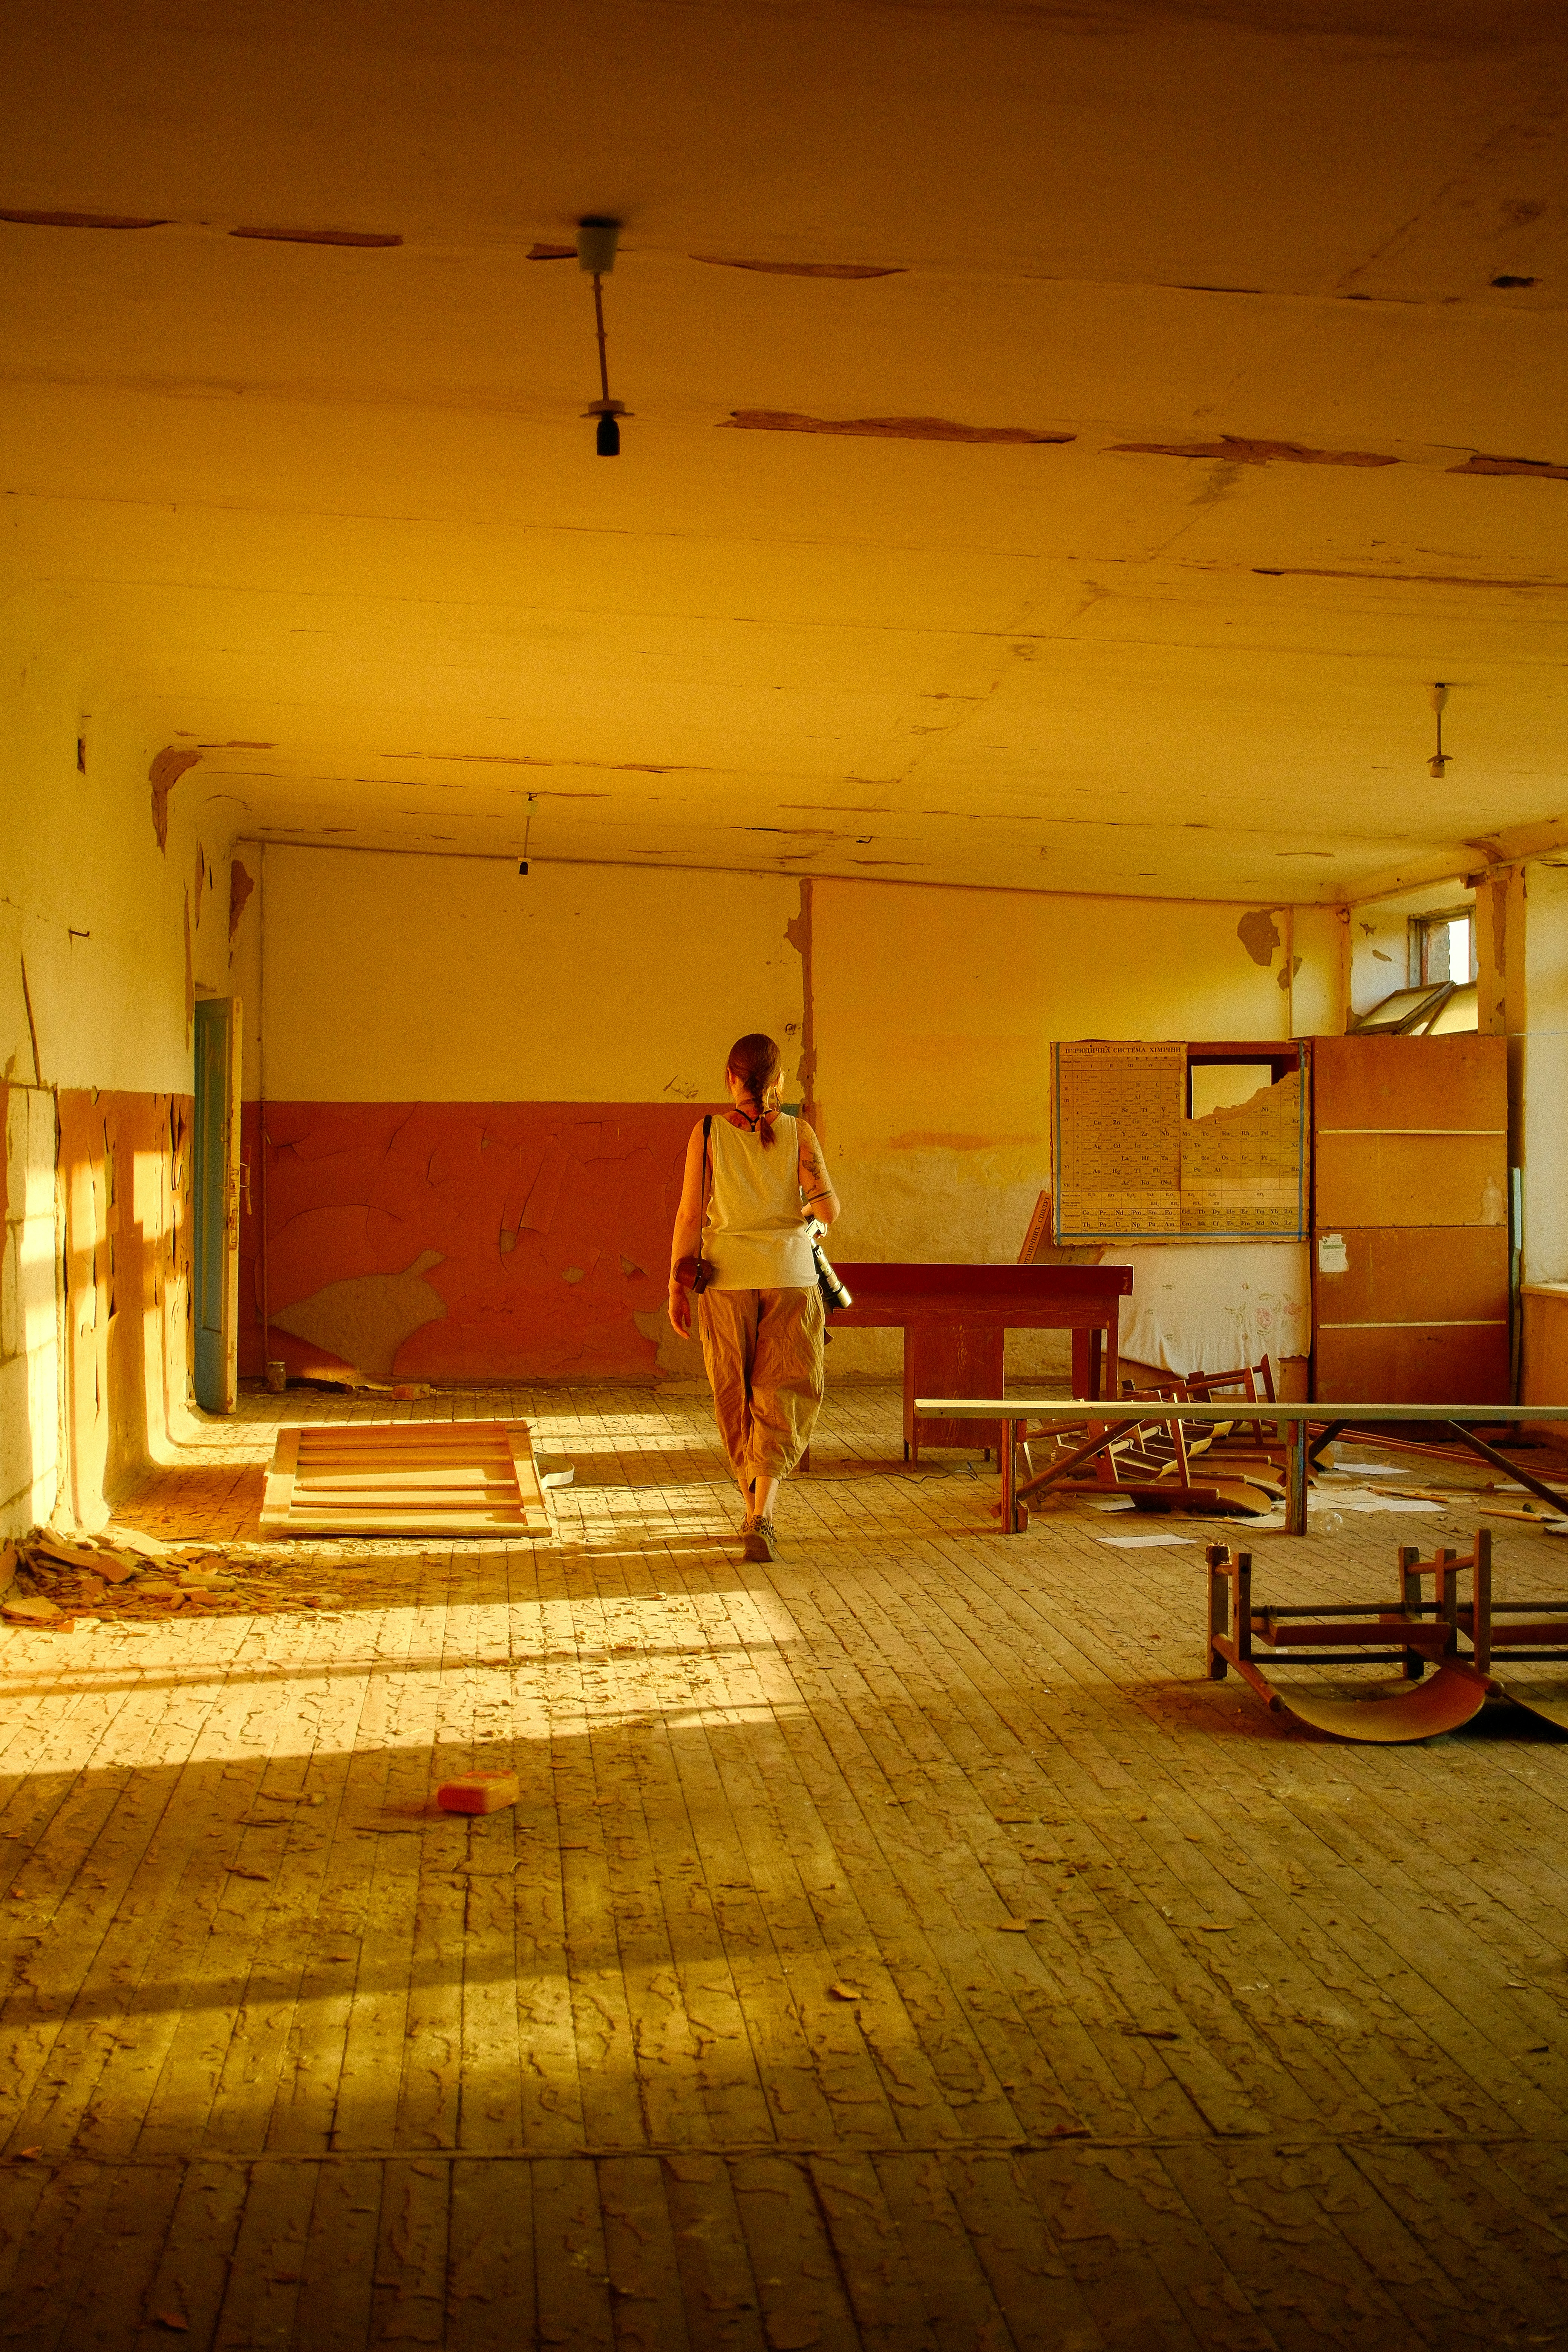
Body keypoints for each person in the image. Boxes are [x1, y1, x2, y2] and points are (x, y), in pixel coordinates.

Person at [667, 1033, 840, 1562]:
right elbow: (829, 1211)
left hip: (725, 1279)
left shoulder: (707, 1132)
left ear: (730, 1078)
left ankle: (751, 1513)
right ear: (780, 1082)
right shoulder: (800, 1133)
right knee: (781, 1391)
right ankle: (761, 1516)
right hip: (790, 1276)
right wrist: (801, 1226)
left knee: (735, 1393)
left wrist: (675, 1285)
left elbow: (690, 1215)